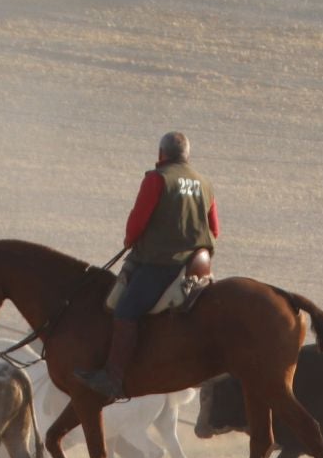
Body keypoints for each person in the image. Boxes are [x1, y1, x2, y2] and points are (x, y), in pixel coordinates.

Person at [77, 131, 218, 400]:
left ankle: (113, 378)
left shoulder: (157, 179)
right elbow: (215, 229)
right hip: (198, 266)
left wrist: (130, 241)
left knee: (125, 312)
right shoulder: (205, 183)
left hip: (161, 264)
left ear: (161, 154)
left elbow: (137, 223)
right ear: (187, 155)